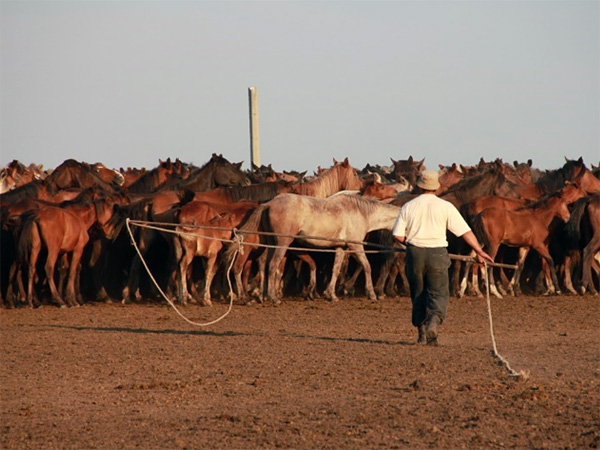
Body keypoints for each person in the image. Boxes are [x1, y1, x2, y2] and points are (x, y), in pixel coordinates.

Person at [392, 170, 494, 345]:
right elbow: (464, 231)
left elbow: (397, 235)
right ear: (436, 187)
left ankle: (422, 333)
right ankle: (434, 322)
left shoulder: (409, 206)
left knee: (418, 293)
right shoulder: (445, 206)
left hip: (415, 252)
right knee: (438, 292)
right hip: (437, 252)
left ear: (420, 186)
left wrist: (412, 242)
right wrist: (479, 251)